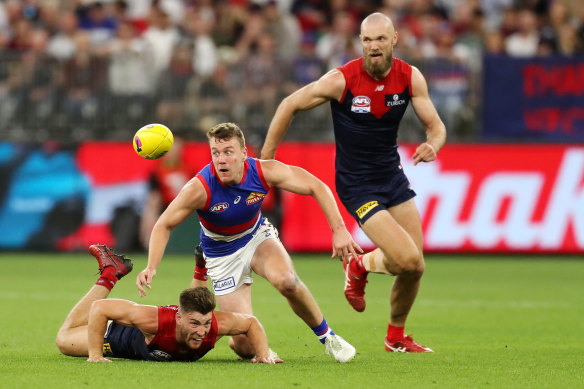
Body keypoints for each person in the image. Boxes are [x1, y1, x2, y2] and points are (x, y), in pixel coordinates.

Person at [261, 12, 447, 353]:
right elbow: (289, 104)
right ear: (360, 42)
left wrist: (432, 144)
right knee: (406, 259)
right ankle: (359, 266)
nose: (373, 46)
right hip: (356, 183)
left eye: (380, 39)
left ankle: (394, 335)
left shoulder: (409, 77)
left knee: (414, 266)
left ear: (394, 40)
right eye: (366, 39)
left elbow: (436, 126)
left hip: (392, 176)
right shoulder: (341, 80)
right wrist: (266, 161)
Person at [136, 122, 361, 362]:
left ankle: (328, 338)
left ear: (244, 154)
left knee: (288, 282)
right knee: (245, 346)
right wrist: (151, 266)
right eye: (216, 152)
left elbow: (317, 186)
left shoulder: (264, 172)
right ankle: (208, 277)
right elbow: (163, 224)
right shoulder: (199, 188)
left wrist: (339, 230)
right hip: (220, 254)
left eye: (228, 152)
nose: (221, 159)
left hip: (256, 236)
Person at [56, 244, 281, 363]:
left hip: (177, 321)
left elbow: (251, 323)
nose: (202, 331)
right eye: (195, 324)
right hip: (116, 337)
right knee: (64, 340)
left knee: (198, 307)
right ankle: (110, 273)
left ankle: (201, 267)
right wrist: (96, 356)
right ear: (179, 318)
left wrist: (263, 354)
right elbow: (100, 308)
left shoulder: (214, 324)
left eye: (205, 324)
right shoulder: (154, 320)